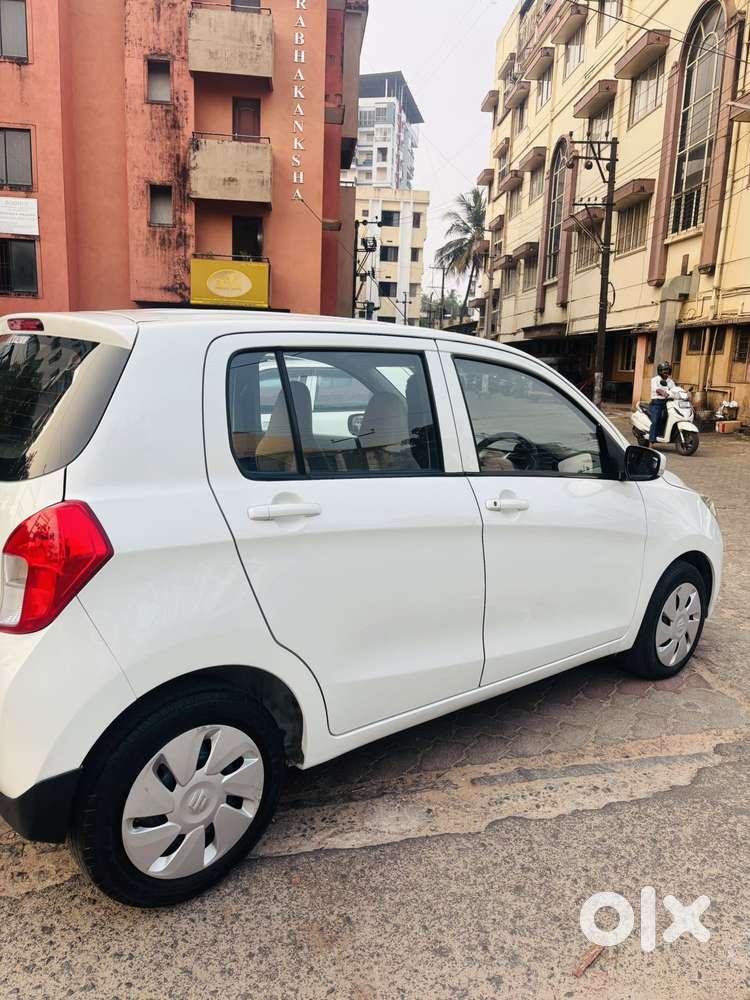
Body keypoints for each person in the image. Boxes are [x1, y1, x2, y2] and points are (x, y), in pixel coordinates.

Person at [648, 362, 676, 445]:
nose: (666, 372)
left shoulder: (670, 381)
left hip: (667, 403)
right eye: (664, 370)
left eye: (668, 370)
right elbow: (656, 389)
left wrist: (680, 393)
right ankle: (651, 443)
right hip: (656, 403)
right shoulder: (655, 379)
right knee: (655, 421)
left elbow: (674, 389)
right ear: (660, 371)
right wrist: (663, 393)